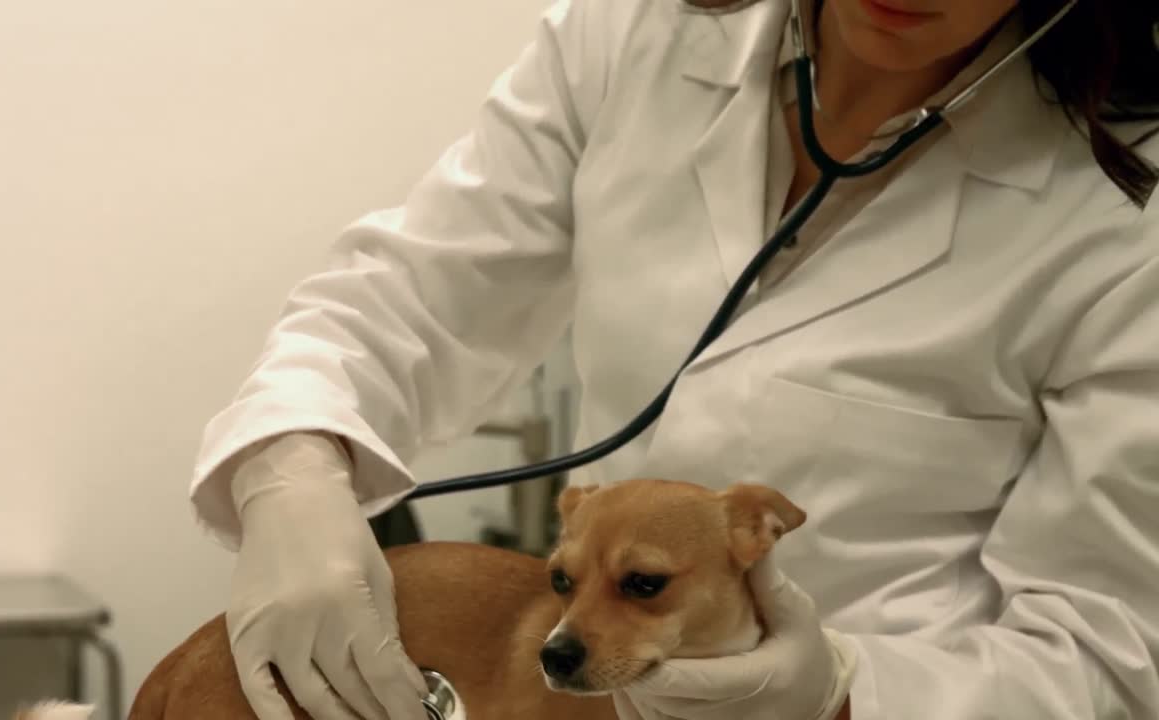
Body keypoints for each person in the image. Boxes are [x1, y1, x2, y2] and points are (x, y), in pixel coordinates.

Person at [188, 0, 1159, 717]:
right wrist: (292, 466)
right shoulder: (636, 33)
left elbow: (1108, 653)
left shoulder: (1127, 221)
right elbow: (408, 296)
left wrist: (844, 691)